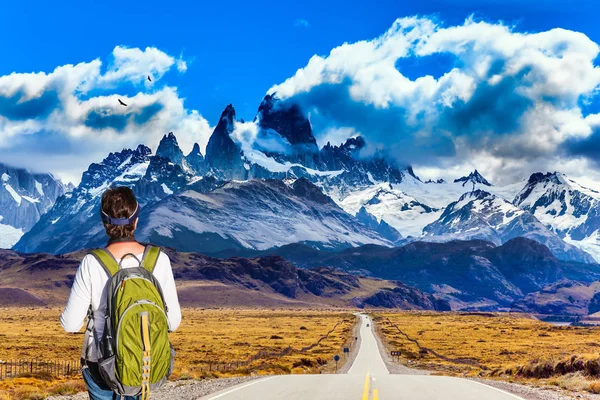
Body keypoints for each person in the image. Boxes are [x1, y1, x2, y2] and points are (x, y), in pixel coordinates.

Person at [60, 186, 181, 400]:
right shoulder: (158, 260)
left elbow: (70, 324)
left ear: (105, 223)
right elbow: (173, 322)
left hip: (100, 363)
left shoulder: (92, 262)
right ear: (135, 220)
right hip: (142, 360)